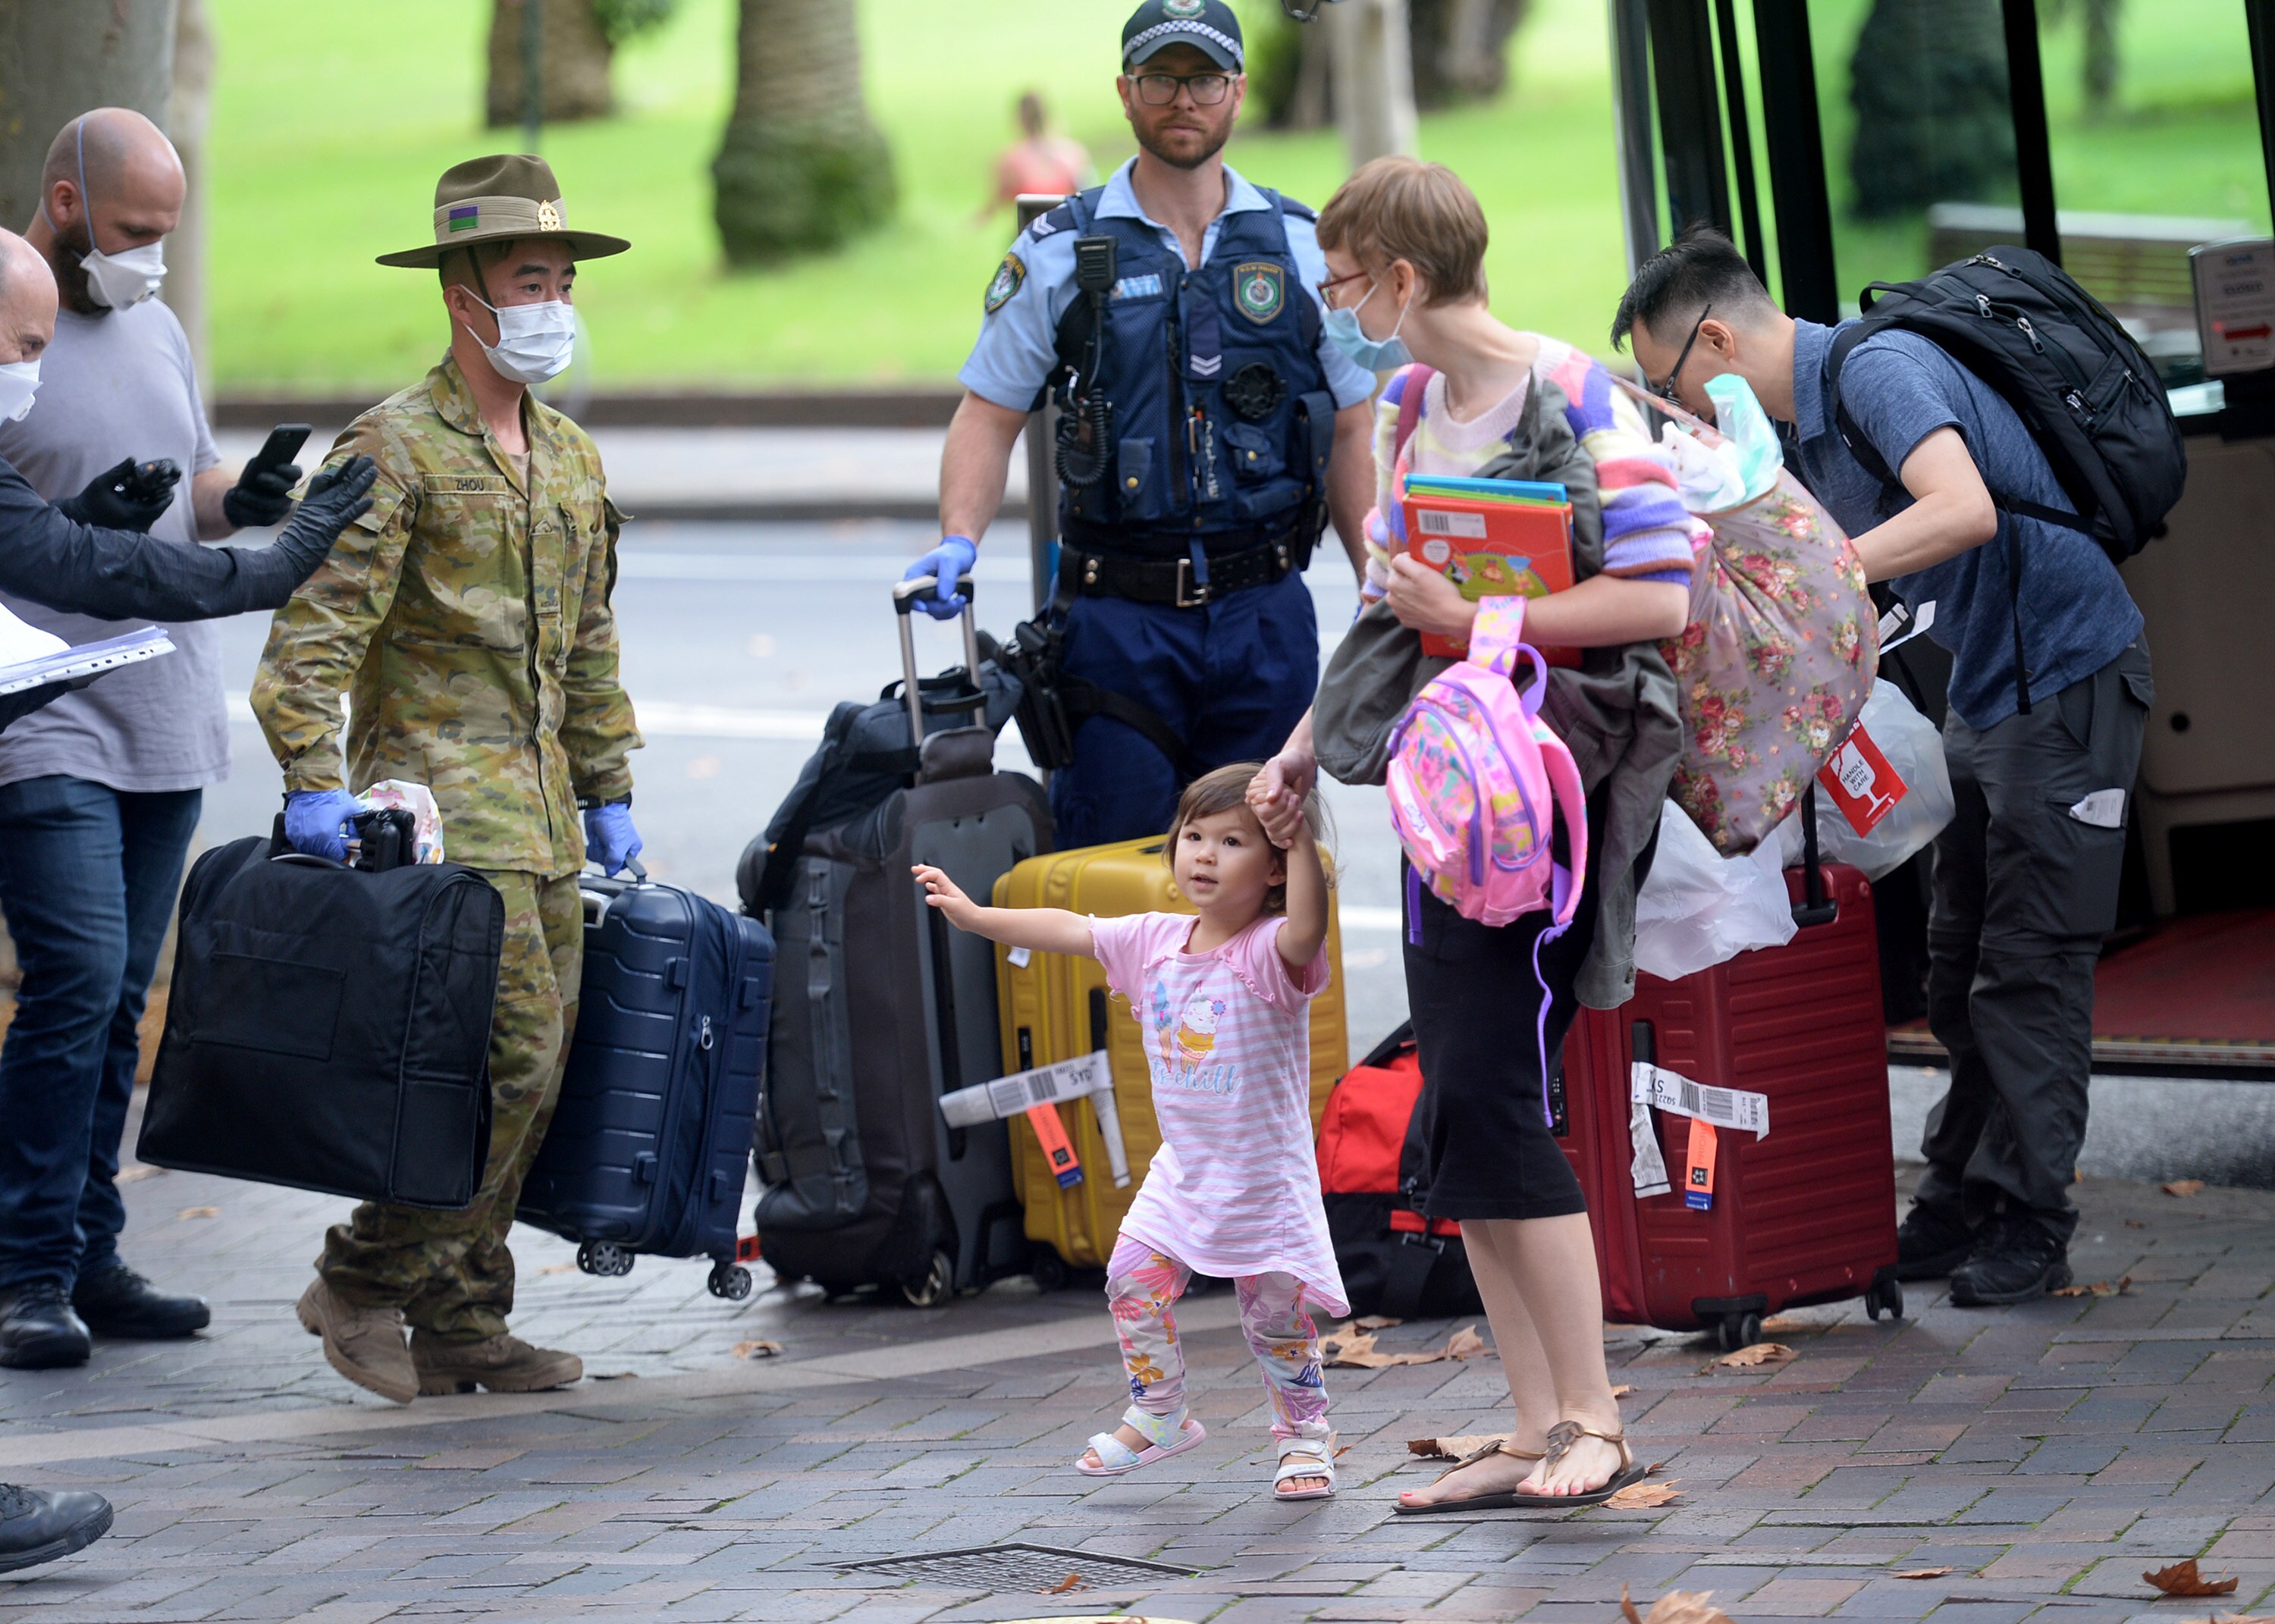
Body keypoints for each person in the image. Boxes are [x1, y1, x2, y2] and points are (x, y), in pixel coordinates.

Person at [1250, 158, 1695, 1511]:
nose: (1333, 302)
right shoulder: (1403, 405)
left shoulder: (1573, 391)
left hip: (1546, 804)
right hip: (1451, 798)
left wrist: (1472, 618)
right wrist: (1298, 748)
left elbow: (1658, 599)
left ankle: (1597, 1417)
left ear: (1401, 275)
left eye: (1342, 277)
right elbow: (1394, 614)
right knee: (1457, 1109)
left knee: (1501, 1100)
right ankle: (1530, 1418)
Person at [1613, 228, 2152, 1307]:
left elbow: (1965, 508)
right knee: (1956, 962)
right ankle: (1959, 1193)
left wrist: (1825, 569)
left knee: (2029, 968)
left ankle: (2033, 1219)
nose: (1675, 408)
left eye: (1668, 384)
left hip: (2069, 674)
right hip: (1989, 687)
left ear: (1715, 337)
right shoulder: (1799, 429)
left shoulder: (1875, 368)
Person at [253, 154, 643, 1406]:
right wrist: (313, 780)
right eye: (531, 278)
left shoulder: (572, 457)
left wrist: (610, 783)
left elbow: (588, 643)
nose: (554, 302)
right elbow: (310, 642)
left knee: (537, 1070)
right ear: (463, 295)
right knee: (506, 1064)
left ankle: (467, 1319)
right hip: (429, 821)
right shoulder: (391, 447)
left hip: (543, 821)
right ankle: (361, 1279)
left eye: (563, 279)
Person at [0, 109, 335, 1370]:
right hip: (43, 716)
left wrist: (234, 500)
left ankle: (85, 1245)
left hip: (161, 706)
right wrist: (258, 564)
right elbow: (37, 536)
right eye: (137, 233)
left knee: (120, 998)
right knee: (76, 979)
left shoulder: (156, 321)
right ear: (69, 201)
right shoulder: (7, 325)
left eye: (170, 236)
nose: (152, 258)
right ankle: (26, 1264)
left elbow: (187, 482)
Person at [924, 0, 1379, 848]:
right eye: (1162, 78)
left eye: (1203, 77)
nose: (1184, 99)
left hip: (1264, 619)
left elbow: (1354, 428)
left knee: (1265, 883)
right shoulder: (1062, 252)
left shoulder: (1305, 249)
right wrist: (959, 540)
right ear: (1127, 92)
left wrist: (1376, 581)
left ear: (1237, 92)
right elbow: (987, 416)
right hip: (1114, 628)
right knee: (1116, 885)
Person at [913, 763, 1345, 1500]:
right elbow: (1071, 929)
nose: (1204, 854)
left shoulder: (1270, 956)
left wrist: (1299, 834)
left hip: (1263, 1184)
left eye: (1233, 841)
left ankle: (1304, 1435)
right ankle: (1161, 1413)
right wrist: (977, 917)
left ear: (1275, 869)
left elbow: (1308, 928)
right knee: (1130, 1283)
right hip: (1183, 1173)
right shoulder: (1155, 940)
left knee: (1274, 1319)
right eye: (1194, 836)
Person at [0, 228, 376, 741]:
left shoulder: (159, 327)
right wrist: (279, 566)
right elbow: (80, 564)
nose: (32, 371)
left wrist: (79, 516)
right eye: (27, 345)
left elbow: (30, 541)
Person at [978, 91, 1094, 221]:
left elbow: (995, 204)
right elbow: (1086, 196)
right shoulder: (1074, 152)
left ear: (1020, 119)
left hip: (1029, 229)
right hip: (1066, 226)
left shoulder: (1012, 159)